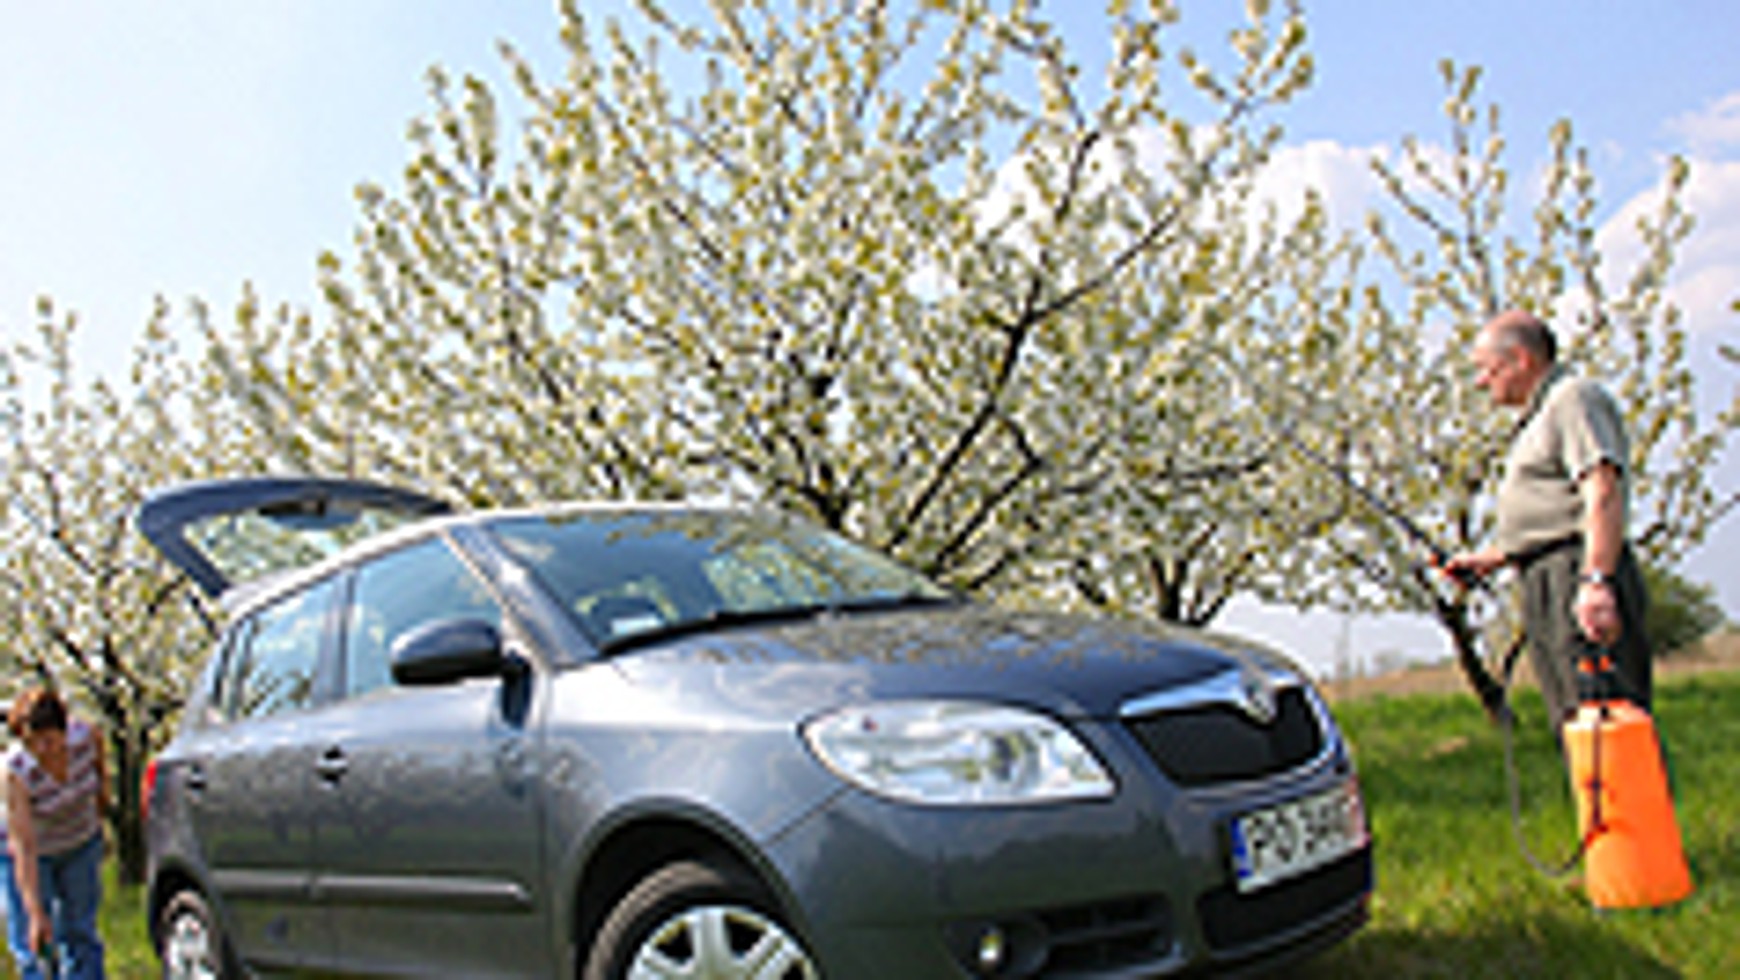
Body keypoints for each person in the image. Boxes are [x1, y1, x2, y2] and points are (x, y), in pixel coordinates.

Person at [1444, 309, 1652, 737]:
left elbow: (1602, 490)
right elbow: (1553, 512)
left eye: (1487, 369)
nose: (1481, 383)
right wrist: (1494, 558)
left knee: (1608, 727)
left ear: (1521, 359)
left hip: (1576, 571)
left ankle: (1627, 790)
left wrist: (1596, 581)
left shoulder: (1573, 399)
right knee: (1575, 725)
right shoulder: (1538, 417)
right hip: (1544, 575)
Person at [3, 687, 108, 979]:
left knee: (80, 931)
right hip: (32, 853)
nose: (41, 750)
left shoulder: (87, 739)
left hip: (80, 841)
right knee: (34, 943)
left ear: (64, 731)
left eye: (48, 740)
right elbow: (23, 844)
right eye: (32, 742)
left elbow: (101, 784)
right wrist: (35, 912)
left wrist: (99, 828)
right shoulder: (16, 771)